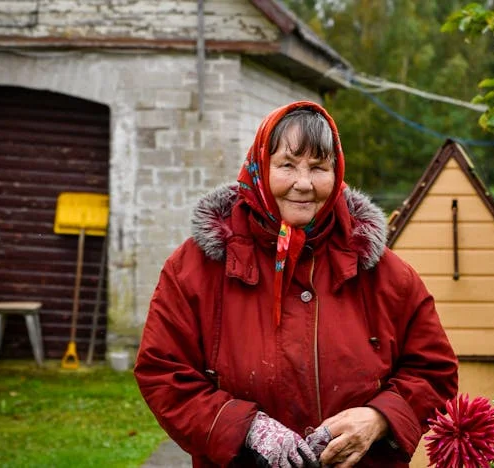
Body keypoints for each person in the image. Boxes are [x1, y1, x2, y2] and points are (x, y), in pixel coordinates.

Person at [134, 101, 458, 467]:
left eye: (319, 168)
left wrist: (379, 418)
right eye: (287, 165)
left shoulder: (383, 272)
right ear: (259, 166)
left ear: (337, 174)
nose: (303, 184)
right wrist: (246, 429)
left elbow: (434, 369)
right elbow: (162, 371)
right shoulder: (195, 268)